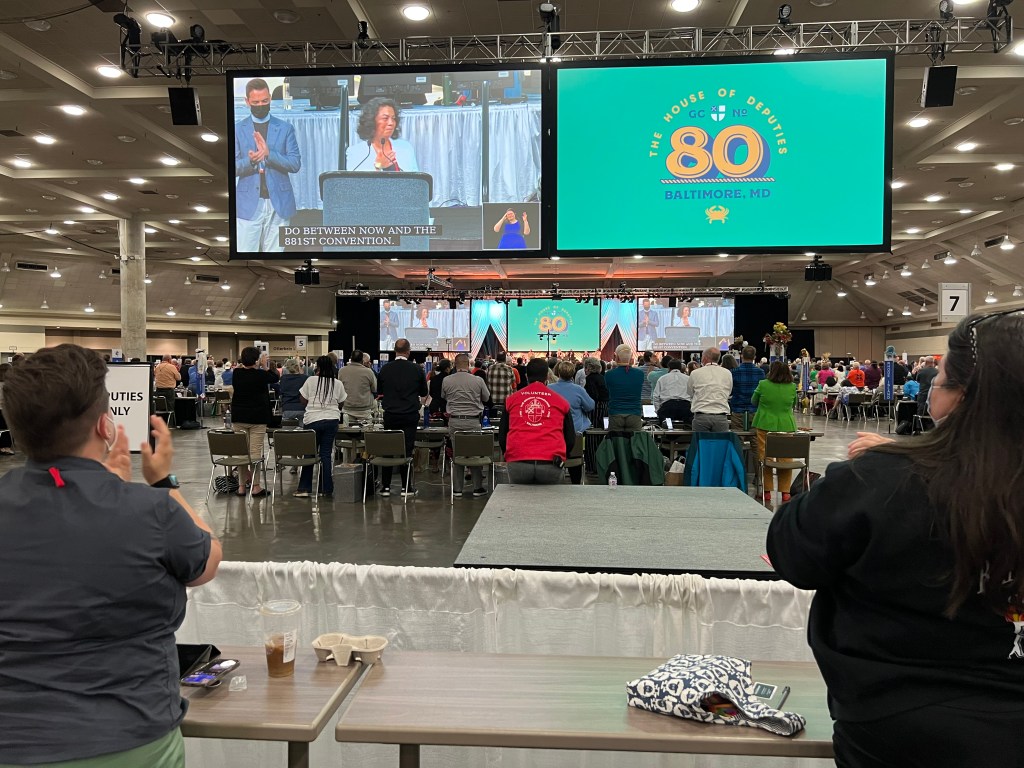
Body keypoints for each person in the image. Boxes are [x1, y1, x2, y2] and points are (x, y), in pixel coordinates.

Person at [767, 311, 1024, 766]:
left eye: (937, 381)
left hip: (895, 725)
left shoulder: (880, 479)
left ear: (961, 397)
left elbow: (792, 553)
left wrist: (876, 466)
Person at [0, 344, 220, 766]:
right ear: (106, 426)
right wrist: (163, 484)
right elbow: (207, 560)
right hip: (129, 738)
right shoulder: (151, 511)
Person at [234, 77, 301, 252]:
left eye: (264, 101)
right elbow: (232, 167)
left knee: (276, 256)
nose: (261, 105)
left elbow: (295, 163)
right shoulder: (238, 129)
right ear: (247, 102)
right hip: (248, 203)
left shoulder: (285, 128)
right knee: (246, 254)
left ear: (270, 98)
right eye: (256, 102)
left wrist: (269, 154)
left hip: (279, 202)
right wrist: (251, 161)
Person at [499, 358, 574, 484]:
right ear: (547, 376)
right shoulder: (561, 402)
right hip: (551, 462)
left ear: (526, 376)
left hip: (518, 460)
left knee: (519, 502)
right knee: (551, 502)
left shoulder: (511, 400)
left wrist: (508, 454)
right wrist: (563, 456)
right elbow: (570, 437)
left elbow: (502, 435)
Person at [375, 339, 427, 497]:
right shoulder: (417, 369)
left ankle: (385, 487)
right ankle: (406, 487)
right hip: (410, 414)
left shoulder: (385, 369)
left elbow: (380, 391)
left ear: (394, 350)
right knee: (407, 450)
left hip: (391, 414)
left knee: (388, 448)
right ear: (409, 351)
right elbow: (424, 392)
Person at [229, 346, 279, 497]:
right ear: (256, 360)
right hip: (257, 418)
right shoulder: (260, 375)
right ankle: (256, 486)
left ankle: (241, 487)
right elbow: (275, 377)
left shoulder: (236, 373)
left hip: (239, 417)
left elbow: (241, 369)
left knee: (241, 453)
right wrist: (264, 365)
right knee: (255, 453)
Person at [294, 356, 346, 499]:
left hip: (312, 420)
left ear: (318, 367)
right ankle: (326, 489)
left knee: (309, 454)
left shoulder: (310, 380)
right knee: (326, 454)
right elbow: (341, 403)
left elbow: (303, 400)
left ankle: (304, 488)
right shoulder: (337, 383)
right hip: (331, 420)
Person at [441, 354, 491, 497]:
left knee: (458, 454)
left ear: (455, 364)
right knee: (474, 454)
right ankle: (477, 488)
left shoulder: (447, 380)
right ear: (468, 364)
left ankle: (457, 489)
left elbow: (444, 396)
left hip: (455, 421)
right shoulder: (478, 380)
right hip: (473, 421)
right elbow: (486, 398)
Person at [751, 362, 798, 507]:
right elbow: (793, 404)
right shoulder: (792, 387)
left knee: (765, 457)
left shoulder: (763, 384)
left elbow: (753, 401)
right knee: (785, 459)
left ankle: (766, 491)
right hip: (786, 425)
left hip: (765, 424)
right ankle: (785, 492)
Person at [548, 361, 595, 484]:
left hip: (554, 435)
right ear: (573, 373)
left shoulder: (549, 389)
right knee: (576, 459)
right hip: (575, 435)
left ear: (557, 373)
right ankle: (575, 484)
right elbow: (590, 406)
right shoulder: (578, 390)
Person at [346, 98, 419, 172]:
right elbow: (355, 182)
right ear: (371, 121)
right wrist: (379, 167)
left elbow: (416, 181)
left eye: (393, 118)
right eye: (385, 118)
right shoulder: (355, 152)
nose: (391, 123)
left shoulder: (406, 147)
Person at [687, 347, 733, 432]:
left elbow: (690, 392)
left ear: (704, 358)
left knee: (701, 444)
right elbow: (729, 392)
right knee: (721, 444)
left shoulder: (695, 373)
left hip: (701, 416)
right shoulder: (727, 373)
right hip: (721, 416)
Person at [604, 344, 644, 432]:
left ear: (616, 357)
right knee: (634, 443)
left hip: (616, 413)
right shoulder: (640, 374)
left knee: (616, 443)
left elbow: (608, 389)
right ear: (631, 358)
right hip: (634, 413)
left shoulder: (609, 375)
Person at [730, 345, 765, 431]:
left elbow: (730, 391)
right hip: (754, 410)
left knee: (737, 440)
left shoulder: (734, 372)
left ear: (741, 356)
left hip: (738, 409)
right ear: (754, 357)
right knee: (755, 439)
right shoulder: (761, 372)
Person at [338, 350, 377, 425]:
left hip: (347, 410)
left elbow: (340, 389)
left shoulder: (342, 371)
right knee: (366, 433)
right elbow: (374, 389)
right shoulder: (369, 372)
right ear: (362, 360)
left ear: (351, 359)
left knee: (346, 434)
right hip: (364, 411)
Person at [652, 358, 692, 425]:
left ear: (669, 368)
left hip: (668, 407)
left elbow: (656, 396)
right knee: (687, 429)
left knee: (666, 429)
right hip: (685, 407)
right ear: (680, 367)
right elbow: (693, 395)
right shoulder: (688, 378)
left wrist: (658, 411)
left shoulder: (662, 379)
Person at [485, 351, 516, 419]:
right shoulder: (509, 369)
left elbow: (487, 381)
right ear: (505, 359)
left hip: (492, 401)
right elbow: (513, 381)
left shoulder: (490, 368)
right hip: (506, 401)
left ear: (496, 359)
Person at [279, 357, 308, 423]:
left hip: (287, 408)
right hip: (302, 408)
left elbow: (281, 392)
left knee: (288, 432)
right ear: (298, 366)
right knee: (304, 432)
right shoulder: (305, 378)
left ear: (287, 368)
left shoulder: (283, 379)